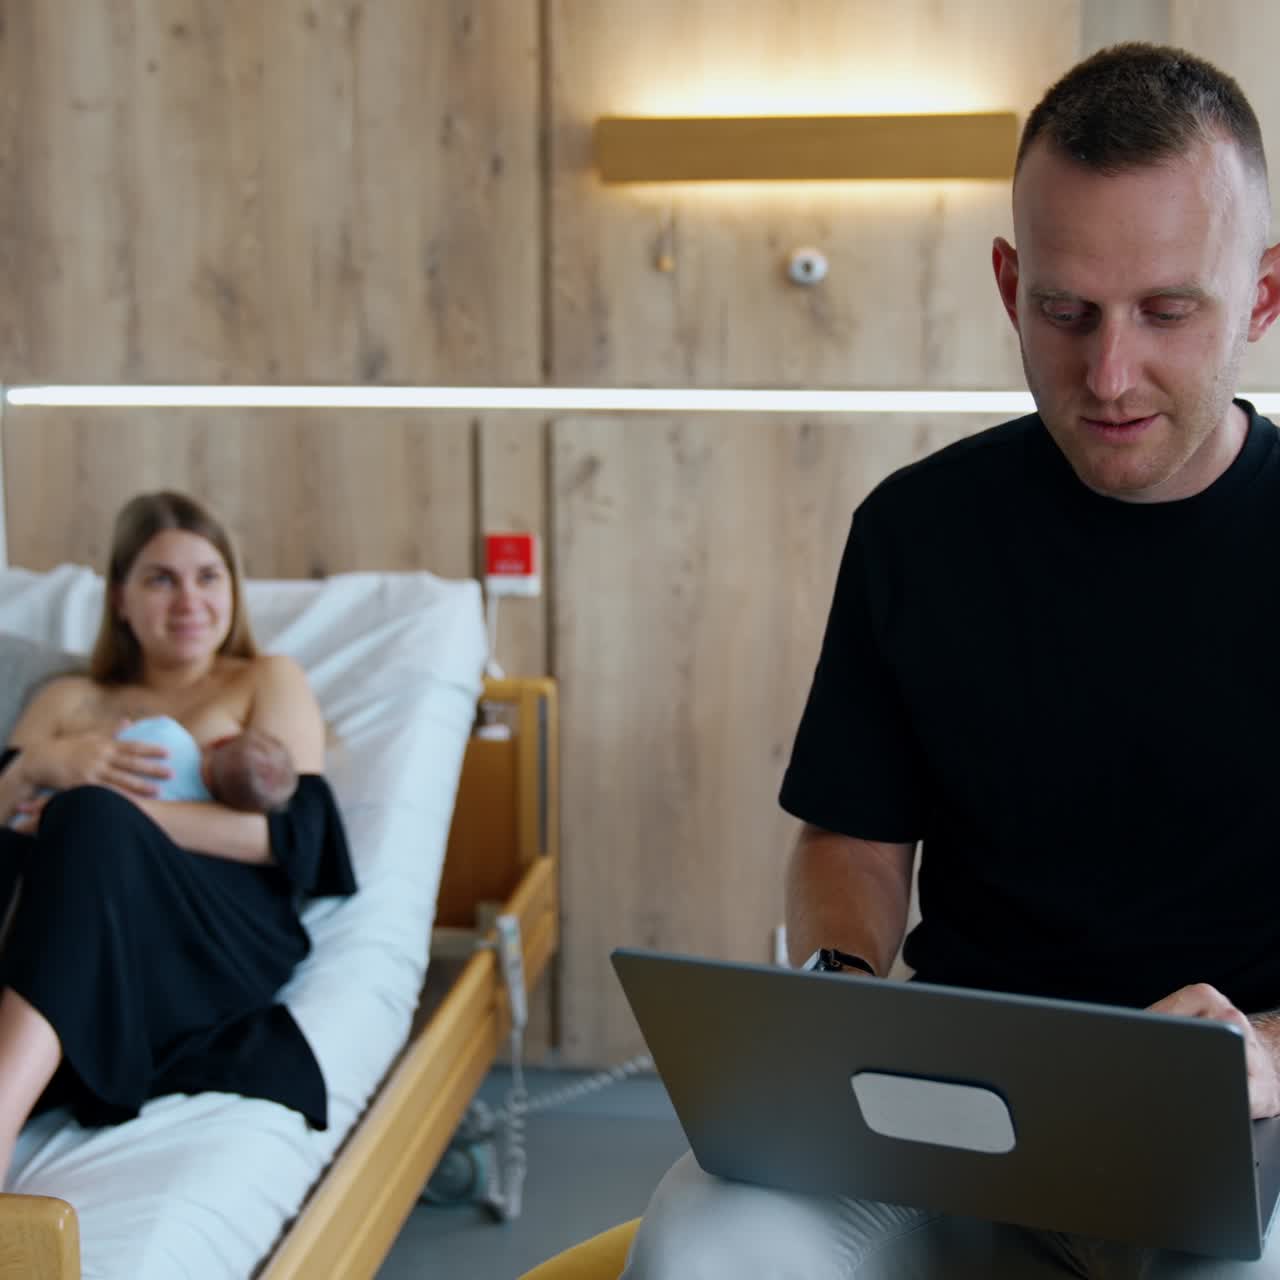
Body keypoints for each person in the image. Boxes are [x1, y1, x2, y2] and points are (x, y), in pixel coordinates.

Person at [623, 43, 1280, 1279]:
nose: (1107, 373)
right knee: (702, 1245)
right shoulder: (914, 532)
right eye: (1063, 311)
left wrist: (1263, 1052)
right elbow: (852, 838)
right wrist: (836, 984)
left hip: (1248, 1125)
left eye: (1165, 311)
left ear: (1257, 297)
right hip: (946, 1104)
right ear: (1006, 281)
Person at [0, 490, 355, 1184]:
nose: (188, 600)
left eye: (208, 576)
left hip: (215, 923)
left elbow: (281, 837)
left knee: (90, 821)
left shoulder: (265, 680)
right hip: (72, 916)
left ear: (233, 591)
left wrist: (112, 810)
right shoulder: (67, 698)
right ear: (119, 599)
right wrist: (44, 764)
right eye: (160, 579)